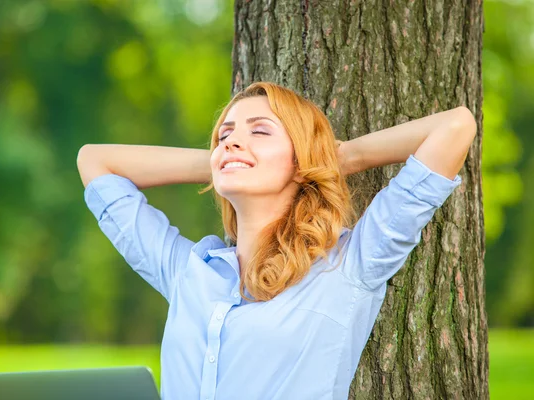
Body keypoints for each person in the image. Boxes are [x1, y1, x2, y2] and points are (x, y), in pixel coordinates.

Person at [76, 82, 476, 399]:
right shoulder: (190, 272)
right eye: (225, 133)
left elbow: (455, 127)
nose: (231, 140)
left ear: (301, 161)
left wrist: (336, 159)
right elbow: (94, 161)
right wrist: (226, 161)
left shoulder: (349, 266)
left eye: (261, 131)